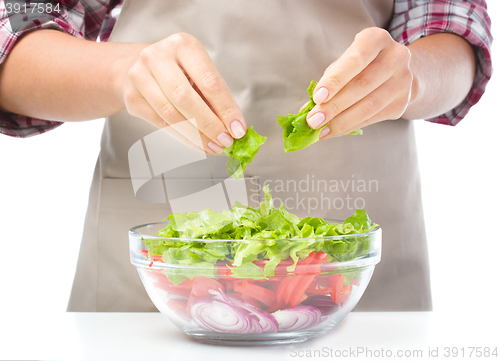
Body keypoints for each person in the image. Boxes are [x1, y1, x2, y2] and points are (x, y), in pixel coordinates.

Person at [0, 0, 492, 312]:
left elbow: (455, 35)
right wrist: (122, 72)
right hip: (156, 274)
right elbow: (14, 40)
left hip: (357, 278)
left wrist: (413, 78)